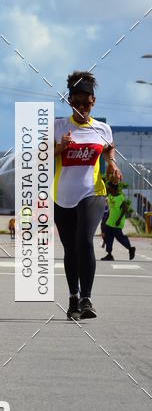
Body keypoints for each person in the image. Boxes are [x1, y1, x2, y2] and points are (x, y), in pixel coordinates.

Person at [54, 71, 121, 319]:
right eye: (77, 103)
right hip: (62, 196)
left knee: (85, 240)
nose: (82, 108)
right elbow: (38, 157)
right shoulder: (58, 126)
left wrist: (112, 163)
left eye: (87, 103)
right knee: (70, 249)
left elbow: (109, 149)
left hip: (92, 192)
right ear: (70, 101)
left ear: (93, 101)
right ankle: (73, 297)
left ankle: (86, 299)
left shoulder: (102, 129)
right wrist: (59, 148)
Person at [101, 181, 135, 261]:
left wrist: (119, 219)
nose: (108, 188)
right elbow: (110, 210)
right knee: (108, 238)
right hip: (110, 221)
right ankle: (109, 255)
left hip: (117, 222)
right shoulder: (109, 197)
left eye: (109, 187)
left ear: (113, 188)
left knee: (119, 237)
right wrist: (106, 220)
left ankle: (130, 248)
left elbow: (124, 210)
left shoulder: (120, 197)